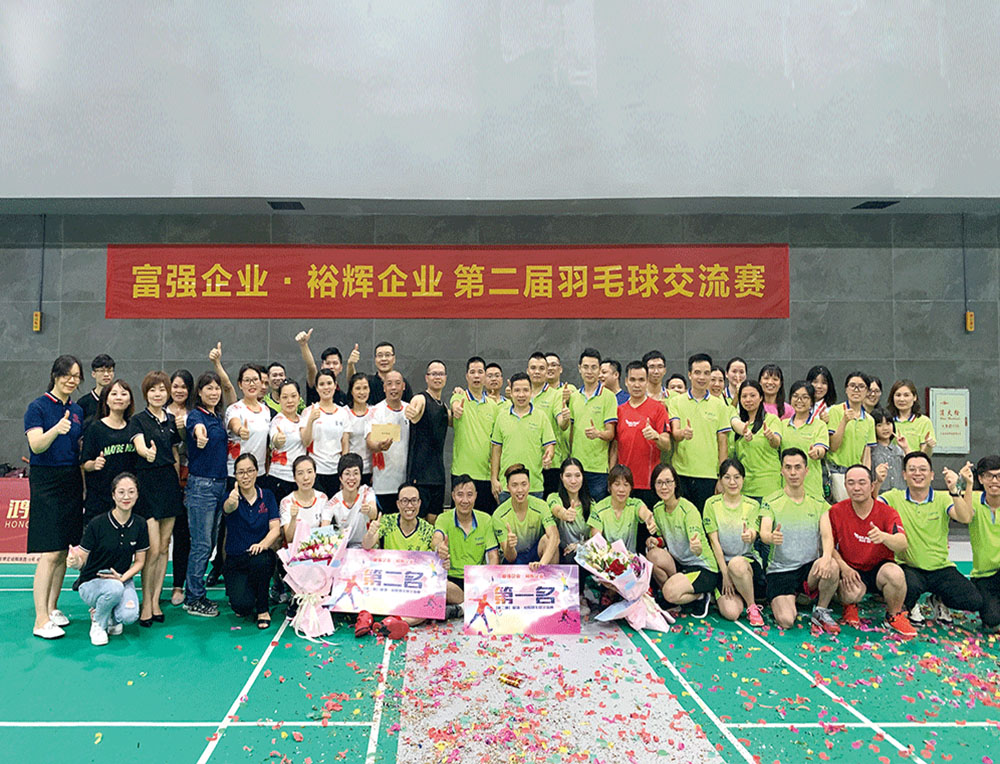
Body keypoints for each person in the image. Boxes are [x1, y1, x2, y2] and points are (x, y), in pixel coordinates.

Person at [882, 452, 982, 626]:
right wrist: (877, 481)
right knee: (902, 586)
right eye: (912, 469)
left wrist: (954, 490)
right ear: (904, 474)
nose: (917, 473)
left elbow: (965, 518)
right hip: (909, 567)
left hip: (940, 568)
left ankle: (938, 599)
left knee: (974, 600)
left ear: (932, 475)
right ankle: (911, 605)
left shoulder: (943, 498)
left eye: (923, 469)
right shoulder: (894, 497)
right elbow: (871, 506)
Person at [25, 354, 85, 639]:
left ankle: (51, 608)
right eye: (67, 375)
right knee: (49, 552)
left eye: (76, 376)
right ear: (55, 375)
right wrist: (56, 430)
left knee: (62, 550)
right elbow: (36, 445)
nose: (71, 380)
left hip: (70, 478)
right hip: (46, 480)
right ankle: (40, 620)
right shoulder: (37, 407)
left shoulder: (77, 410)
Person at [759, 448, 841, 634]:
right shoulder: (771, 501)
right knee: (786, 620)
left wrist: (826, 557)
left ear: (806, 470)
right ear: (782, 471)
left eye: (798, 467)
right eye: (788, 467)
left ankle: (821, 610)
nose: (793, 472)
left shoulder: (818, 503)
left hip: (808, 570)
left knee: (832, 565)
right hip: (781, 571)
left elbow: (827, 536)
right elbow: (764, 532)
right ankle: (794, 598)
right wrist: (771, 537)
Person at [828, 464, 915, 636]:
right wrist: (844, 568)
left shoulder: (887, 512)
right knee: (851, 593)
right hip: (851, 569)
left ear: (872, 486)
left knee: (895, 574)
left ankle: (894, 615)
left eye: (862, 482)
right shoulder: (836, 511)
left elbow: (902, 543)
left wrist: (884, 537)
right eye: (851, 483)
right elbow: (828, 546)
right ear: (845, 486)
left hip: (879, 569)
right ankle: (849, 605)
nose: (856, 488)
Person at [128, 370, 184, 627]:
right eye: (153, 390)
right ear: (146, 393)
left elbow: (175, 451)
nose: (158, 394)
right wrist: (146, 453)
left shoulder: (171, 420)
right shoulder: (138, 420)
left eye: (162, 389)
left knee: (164, 548)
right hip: (148, 484)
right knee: (151, 549)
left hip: (169, 484)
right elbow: (139, 445)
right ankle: (146, 603)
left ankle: (155, 600)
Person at [68, 472, 148, 646]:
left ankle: (109, 613)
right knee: (114, 589)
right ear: (113, 495)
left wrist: (123, 578)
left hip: (122, 579)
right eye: (121, 492)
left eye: (131, 492)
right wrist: (75, 562)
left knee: (129, 616)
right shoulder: (97, 524)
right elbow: (82, 558)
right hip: (92, 582)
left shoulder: (140, 524)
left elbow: (140, 561)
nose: (126, 497)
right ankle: (98, 623)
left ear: (137, 494)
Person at [183, 368, 233, 618]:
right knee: (201, 544)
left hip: (219, 485)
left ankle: (197, 593)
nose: (214, 392)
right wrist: (200, 436)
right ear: (200, 392)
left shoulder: (218, 417)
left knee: (210, 543)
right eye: (208, 388)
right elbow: (198, 430)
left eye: (216, 388)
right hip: (202, 487)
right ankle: (193, 598)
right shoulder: (196, 416)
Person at [703, 459, 764, 626]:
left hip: (746, 562)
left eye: (737, 477)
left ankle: (751, 606)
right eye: (727, 477)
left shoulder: (752, 505)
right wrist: (724, 574)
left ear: (743, 479)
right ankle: (731, 594)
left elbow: (753, 531)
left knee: (737, 564)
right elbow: (714, 542)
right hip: (722, 564)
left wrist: (750, 535)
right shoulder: (711, 504)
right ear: (720, 480)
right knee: (731, 613)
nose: (732, 482)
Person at [668, 353, 732, 512]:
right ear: (689, 374)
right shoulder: (676, 402)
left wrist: (722, 477)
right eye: (697, 372)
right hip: (681, 474)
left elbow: (722, 443)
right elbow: (675, 433)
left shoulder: (720, 405)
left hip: (708, 476)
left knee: (705, 520)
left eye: (706, 373)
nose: (702, 377)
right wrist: (683, 433)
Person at [222, 454, 281, 628]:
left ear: (256, 472)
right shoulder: (230, 496)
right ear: (235, 475)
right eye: (241, 472)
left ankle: (263, 608)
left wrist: (262, 545)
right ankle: (249, 594)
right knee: (242, 607)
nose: (245, 476)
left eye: (249, 471)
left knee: (262, 561)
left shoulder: (267, 496)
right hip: (236, 560)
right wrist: (232, 502)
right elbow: (228, 508)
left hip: (260, 556)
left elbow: (275, 529)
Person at [434, 475, 500, 617]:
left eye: (469, 495)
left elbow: (493, 555)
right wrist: (439, 547)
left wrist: (489, 579)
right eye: (460, 495)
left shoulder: (486, 519)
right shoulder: (443, 518)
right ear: (453, 496)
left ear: (476, 496)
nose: (465, 500)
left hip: (477, 580)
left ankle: (461, 607)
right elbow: (437, 538)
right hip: (452, 580)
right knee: (440, 585)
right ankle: (470, 604)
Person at [610, 361, 671, 508]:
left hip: (649, 483)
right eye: (632, 380)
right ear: (626, 382)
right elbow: (615, 447)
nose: (637, 385)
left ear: (647, 382)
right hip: (624, 484)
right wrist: (611, 477)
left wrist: (656, 436)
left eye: (641, 380)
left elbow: (667, 445)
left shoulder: (658, 409)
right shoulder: (619, 410)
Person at [490, 372, 556, 502]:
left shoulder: (541, 416)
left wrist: (549, 456)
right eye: (517, 390)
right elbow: (496, 450)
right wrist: (494, 479)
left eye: (525, 390)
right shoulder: (502, 417)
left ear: (531, 392)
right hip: (506, 487)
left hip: (534, 486)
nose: (521, 395)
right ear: (511, 392)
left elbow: (549, 445)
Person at [80, 379, 136, 524]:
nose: (119, 398)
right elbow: (84, 464)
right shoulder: (95, 428)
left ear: (130, 400)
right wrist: (94, 464)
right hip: (100, 500)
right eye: (114, 394)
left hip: (127, 500)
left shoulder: (134, 427)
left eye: (123, 394)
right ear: (106, 400)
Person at [450, 357, 499, 513]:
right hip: (461, 473)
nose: (476, 376)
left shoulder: (493, 406)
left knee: (486, 520)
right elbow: (455, 405)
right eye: (472, 372)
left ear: (485, 376)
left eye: (480, 372)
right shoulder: (459, 397)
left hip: (486, 476)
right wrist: (456, 409)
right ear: (466, 376)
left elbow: (496, 443)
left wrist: (495, 477)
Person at [568, 348, 618, 501]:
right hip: (576, 469)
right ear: (579, 369)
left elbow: (611, 434)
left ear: (599, 370)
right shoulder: (574, 397)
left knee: (597, 511)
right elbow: (571, 433)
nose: (589, 371)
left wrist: (598, 433)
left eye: (594, 367)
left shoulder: (608, 397)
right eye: (586, 367)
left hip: (598, 470)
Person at [405, 360, 450, 524]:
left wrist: (460, 396)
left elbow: (456, 419)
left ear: (445, 378)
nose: (437, 377)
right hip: (420, 476)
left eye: (441, 374)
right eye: (434, 374)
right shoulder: (421, 399)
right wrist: (412, 412)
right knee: (419, 523)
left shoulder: (443, 406)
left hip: (438, 476)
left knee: (434, 521)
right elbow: (414, 409)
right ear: (426, 377)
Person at [960, 456, 1000, 631]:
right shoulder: (973, 499)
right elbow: (965, 516)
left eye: (999, 476)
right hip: (983, 576)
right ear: (981, 479)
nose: (995, 481)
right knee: (992, 619)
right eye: (989, 476)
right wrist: (966, 483)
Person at [493, 464, 560, 567]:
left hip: (536, 554)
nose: (520, 490)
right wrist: (510, 546)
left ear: (529, 485)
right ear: (508, 488)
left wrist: (542, 563)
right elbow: (510, 558)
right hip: (513, 559)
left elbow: (555, 537)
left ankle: (550, 575)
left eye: (524, 484)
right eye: (514, 485)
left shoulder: (541, 505)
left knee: (549, 540)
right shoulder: (499, 515)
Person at [300, 369, 351, 497]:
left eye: (329, 383)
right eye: (322, 384)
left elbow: (345, 444)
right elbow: (305, 442)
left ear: (335, 385)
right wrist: (311, 420)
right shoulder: (309, 411)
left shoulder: (343, 413)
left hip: (336, 471)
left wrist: (344, 472)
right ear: (317, 388)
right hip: (316, 471)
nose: (326, 387)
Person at [167, 369, 194, 606]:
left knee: (183, 535)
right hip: (165, 480)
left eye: (183, 387)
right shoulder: (161, 412)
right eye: (175, 386)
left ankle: (179, 585)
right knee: (159, 539)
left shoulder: (194, 414)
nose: (179, 391)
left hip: (190, 479)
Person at [826, 371, 876, 502]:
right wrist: (844, 421)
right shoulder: (835, 411)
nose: (856, 390)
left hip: (857, 474)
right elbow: (833, 446)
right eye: (852, 386)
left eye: (861, 386)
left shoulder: (869, 420)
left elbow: (866, 453)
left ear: (867, 391)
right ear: (846, 389)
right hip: (837, 472)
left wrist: (866, 477)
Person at [729, 380, 782, 501]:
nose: (748, 400)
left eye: (753, 395)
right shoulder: (738, 424)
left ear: (761, 397)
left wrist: (771, 437)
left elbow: (776, 443)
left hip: (768, 487)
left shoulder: (771, 419)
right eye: (744, 396)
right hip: (744, 487)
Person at [366, 370, 411, 511]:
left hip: (408, 483)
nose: (393, 387)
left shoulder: (410, 410)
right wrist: (379, 446)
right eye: (389, 384)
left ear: (403, 386)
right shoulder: (375, 411)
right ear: (384, 387)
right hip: (384, 483)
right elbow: (370, 441)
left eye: (397, 383)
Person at [777, 381, 829, 501]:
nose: (799, 400)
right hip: (787, 488)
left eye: (805, 397)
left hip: (811, 488)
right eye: (795, 396)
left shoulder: (819, 425)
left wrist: (817, 452)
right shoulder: (782, 424)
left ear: (812, 402)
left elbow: (822, 449)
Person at [589, 464, 654, 556]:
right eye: (617, 484)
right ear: (609, 486)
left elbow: (644, 511)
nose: (621, 489)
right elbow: (597, 540)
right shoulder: (598, 508)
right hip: (605, 558)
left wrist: (649, 519)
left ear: (631, 488)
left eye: (626, 485)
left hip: (630, 560)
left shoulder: (635, 504)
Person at [225, 364, 272, 487]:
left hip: (259, 472)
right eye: (247, 380)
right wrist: (240, 430)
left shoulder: (266, 410)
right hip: (237, 473)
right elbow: (234, 423)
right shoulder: (234, 408)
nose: (252, 384)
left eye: (255, 380)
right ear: (240, 384)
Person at [326, 453, 378, 548]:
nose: (351, 478)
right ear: (340, 478)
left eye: (356, 473)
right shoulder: (333, 502)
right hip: (342, 546)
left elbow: (374, 514)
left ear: (361, 476)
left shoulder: (367, 492)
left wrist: (369, 510)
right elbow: (324, 528)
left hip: (365, 546)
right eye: (347, 474)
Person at [267, 379, 307, 502]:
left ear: (299, 398)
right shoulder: (278, 420)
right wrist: (278, 440)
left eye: (293, 396)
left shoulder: (303, 420)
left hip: (299, 478)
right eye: (285, 397)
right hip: (280, 477)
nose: (290, 401)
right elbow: (275, 440)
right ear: (279, 400)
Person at [547, 458, 593, 561]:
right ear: (561, 477)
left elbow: (596, 538)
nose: (573, 481)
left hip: (583, 556)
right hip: (559, 554)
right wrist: (564, 514)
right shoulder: (553, 497)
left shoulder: (591, 505)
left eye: (577, 476)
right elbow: (556, 509)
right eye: (568, 476)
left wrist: (579, 546)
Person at [279, 455, 329, 542]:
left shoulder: (322, 498)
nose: (306, 477)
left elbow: (324, 533)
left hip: (318, 546)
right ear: (294, 477)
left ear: (315, 474)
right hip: (295, 547)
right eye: (300, 473)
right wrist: (293, 518)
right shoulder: (287, 502)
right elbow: (289, 539)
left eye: (309, 472)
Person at [295, 328, 350, 406]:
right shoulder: (315, 384)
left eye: (335, 363)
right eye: (328, 363)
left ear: (341, 367)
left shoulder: (343, 397)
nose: (331, 366)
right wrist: (304, 345)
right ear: (322, 366)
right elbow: (311, 366)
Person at [887, 380, 936, 455]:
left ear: (914, 397)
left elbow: (925, 455)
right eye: (898, 395)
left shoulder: (924, 421)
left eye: (906, 395)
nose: (902, 399)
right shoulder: (887, 421)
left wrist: (928, 446)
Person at [344, 372, 375, 485]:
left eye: (365, 388)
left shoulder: (375, 412)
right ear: (351, 391)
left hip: (371, 471)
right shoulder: (344, 413)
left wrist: (375, 471)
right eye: (358, 388)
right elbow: (344, 444)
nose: (362, 392)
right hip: (351, 472)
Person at [363, 341, 414, 405]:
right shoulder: (368, 382)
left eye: (387, 355)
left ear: (394, 359)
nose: (383, 359)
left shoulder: (402, 382)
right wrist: (351, 364)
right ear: (375, 359)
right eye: (380, 355)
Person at [870, 407, 905, 493]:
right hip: (879, 494)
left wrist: (906, 448)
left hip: (900, 493)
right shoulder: (870, 451)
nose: (885, 428)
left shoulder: (899, 450)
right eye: (879, 425)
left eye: (888, 424)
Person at [78, 353, 116, 425]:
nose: (106, 374)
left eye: (109, 371)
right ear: (93, 374)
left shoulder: (117, 400)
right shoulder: (83, 403)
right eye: (102, 371)